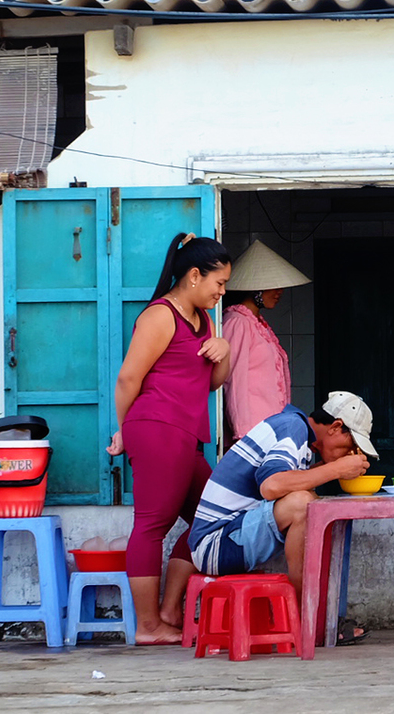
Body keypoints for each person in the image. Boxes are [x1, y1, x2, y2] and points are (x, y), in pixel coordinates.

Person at [106, 232, 233, 645]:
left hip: (187, 435)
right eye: (219, 283)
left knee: (213, 519)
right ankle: (148, 626)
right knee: (152, 524)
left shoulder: (205, 320)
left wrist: (223, 350)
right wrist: (124, 430)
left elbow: (211, 381)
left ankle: (167, 609)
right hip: (157, 428)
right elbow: (128, 378)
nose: (222, 291)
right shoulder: (160, 315)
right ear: (194, 276)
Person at [188, 391, 376, 616]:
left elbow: (287, 479)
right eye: (351, 443)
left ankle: (318, 616)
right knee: (301, 504)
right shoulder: (292, 428)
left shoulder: (296, 432)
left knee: (311, 503)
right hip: (217, 545)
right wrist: (336, 469)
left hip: (228, 537)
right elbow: (272, 486)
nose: (349, 452)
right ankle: (305, 617)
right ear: (335, 427)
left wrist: (334, 471)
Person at [221, 240, 311, 439]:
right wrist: (242, 433)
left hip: (269, 428)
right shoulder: (238, 322)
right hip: (252, 433)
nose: (279, 291)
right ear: (255, 288)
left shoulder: (257, 323)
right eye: (273, 285)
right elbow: (234, 380)